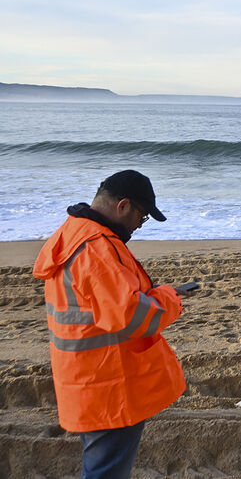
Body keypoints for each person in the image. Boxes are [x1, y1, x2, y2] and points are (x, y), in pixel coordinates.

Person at [32, 170, 188, 479]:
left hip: (87, 379)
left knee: (101, 468)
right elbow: (131, 316)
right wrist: (170, 298)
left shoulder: (74, 233)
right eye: (141, 218)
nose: (138, 226)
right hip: (109, 387)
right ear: (123, 205)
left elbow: (106, 305)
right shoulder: (95, 246)